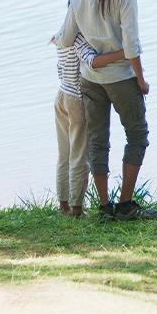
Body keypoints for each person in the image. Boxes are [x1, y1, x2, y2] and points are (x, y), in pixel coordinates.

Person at [56, 0, 155, 221]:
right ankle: (125, 203)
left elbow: (65, 38)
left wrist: (91, 48)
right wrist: (142, 79)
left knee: (98, 140)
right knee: (137, 135)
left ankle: (103, 206)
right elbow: (131, 44)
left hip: (90, 79)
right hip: (121, 78)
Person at [51, 30, 125, 217]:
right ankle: (76, 208)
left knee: (64, 154)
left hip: (61, 94)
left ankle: (63, 205)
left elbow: (60, 68)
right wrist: (124, 53)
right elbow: (91, 60)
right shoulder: (80, 37)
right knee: (79, 154)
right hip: (75, 98)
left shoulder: (61, 35)